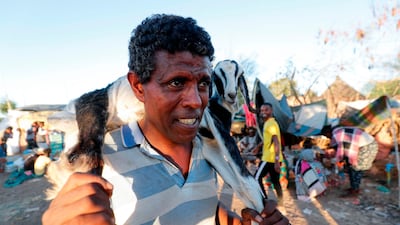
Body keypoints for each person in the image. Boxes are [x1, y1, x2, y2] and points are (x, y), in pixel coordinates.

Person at [42, 14, 289, 225]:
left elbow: (203, 208)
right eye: (176, 82)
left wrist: (239, 222)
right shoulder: (104, 159)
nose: (196, 100)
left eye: (203, 83)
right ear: (138, 86)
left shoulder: (207, 149)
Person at [327, 126, 378, 197]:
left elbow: (346, 151)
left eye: (327, 136)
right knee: (351, 167)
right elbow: (343, 151)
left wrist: (340, 162)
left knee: (356, 168)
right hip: (364, 146)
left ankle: (355, 191)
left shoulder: (338, 134)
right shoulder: (339, 131)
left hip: (367, 147)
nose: (328, 138)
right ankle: (353, 188)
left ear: (329, 132)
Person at [254, 103, 284, 202]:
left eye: (266, 110)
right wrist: (258, 147)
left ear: (271, 111)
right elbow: (268, 139)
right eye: (262, 111)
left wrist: (276, 162)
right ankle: (281, 202)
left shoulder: (271, 124)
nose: (263, 112)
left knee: (256, 178)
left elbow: (276, 142)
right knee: (275, 181)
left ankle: (264, 200)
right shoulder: (269, 123)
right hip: (274, 158)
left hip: (269, 158)